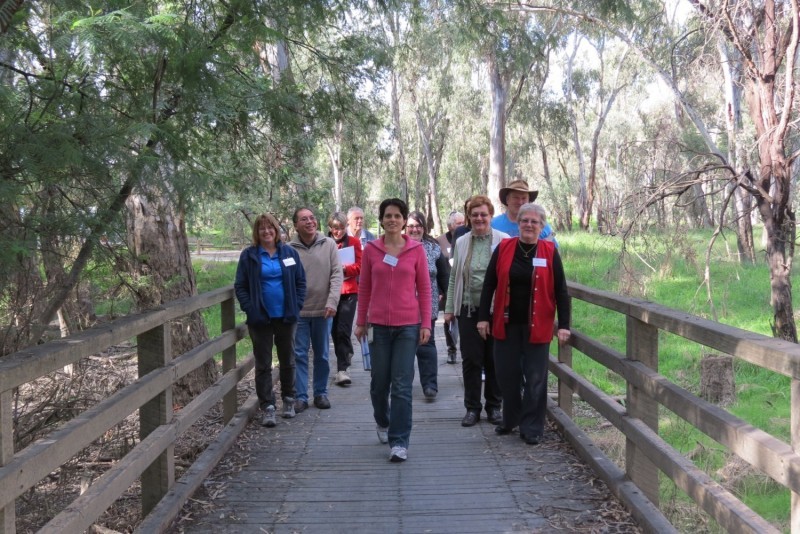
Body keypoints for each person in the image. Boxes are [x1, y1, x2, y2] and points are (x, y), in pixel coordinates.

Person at [477, 202, 570, 445]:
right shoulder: (505, 247)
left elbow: (561, 290)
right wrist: (483, 318)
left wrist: (564, 325)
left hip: (537, 325)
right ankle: (511, 419)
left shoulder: (549, 252)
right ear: (518, 224)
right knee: (507, 376)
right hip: (505, 325)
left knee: (535, 378)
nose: (529, 225)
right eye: (524, 220)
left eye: (534, 221)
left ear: (542, 226)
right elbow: (489, 284)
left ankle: (532, 427)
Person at [355, 198, 432, 463]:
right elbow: (364, 287)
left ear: (403, 220)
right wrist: (361, 321)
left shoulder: (416, 250)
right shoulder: (372, 250)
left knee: (401, 385)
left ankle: (399, 441)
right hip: (378, 326)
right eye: (388, 215)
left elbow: (424, 289)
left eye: (397, 215)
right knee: (379, 384)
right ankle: (383, 420)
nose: (392, 220)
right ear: (382, 219)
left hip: (408, 326)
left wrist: (425, 324)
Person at [234, 213, 306, 427]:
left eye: (270, 228)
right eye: (261, 228)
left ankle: (288, 400)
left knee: (288, 360)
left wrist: (297, 304)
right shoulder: (249, 256)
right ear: (256, 233)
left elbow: (301, 282)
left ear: (277, 230)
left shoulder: (289, 253)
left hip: (286, 316)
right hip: (261, 318)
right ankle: (268, 406)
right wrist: (251, 309)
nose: (266, 231)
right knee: (263, 363)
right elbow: (241, 286)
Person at [444, 195, 508, 427]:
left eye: (483, 214)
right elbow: (454, 278)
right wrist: (450, 308)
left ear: (490, 216)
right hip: (468, 309)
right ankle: (472, 408)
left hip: (495, 310)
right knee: (471, 359)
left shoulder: (504, 240)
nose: (479, 218)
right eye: (475, 214)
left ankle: (494, 407)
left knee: (494, 358)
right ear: (469, 218)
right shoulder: (461, 242)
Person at [289, 207, 343, 412]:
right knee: (300, 354)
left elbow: (337, 274)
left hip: (324, 310)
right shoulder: (289, 249)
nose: (309, 222)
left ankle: (320, 393)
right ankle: (301, 397)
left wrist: (332, 302)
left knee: (321, 354)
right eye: (304, 219)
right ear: (296, 225)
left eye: (312, 218)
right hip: (299, 312)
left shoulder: (328, 244)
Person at [406, 211, 449, 401]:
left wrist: (446, 297)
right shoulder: (397, 247)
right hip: (403, 304)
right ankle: (402, 384)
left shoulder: (433, 248)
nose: (415, 229)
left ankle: (430, 385)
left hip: (427, 302)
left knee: (426, 343)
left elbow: (445, 275)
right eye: (411, 226)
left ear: (424, 228)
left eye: (418, 226)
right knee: (404, 345)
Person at [327, 211, 362, 387]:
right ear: (330, 228)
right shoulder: (325, 243)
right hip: (329, 293)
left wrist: (345, 268)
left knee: (343, 329)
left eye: (341, 228)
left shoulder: (354, 243)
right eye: (334, 228)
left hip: (349, 292)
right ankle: (344, 356)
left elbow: (360, 266)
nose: (338, 232)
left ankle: (343, 369)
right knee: (334, 331)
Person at [435, 210, 465, 364]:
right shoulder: (439, 241)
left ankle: (466, 350)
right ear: (450, 226)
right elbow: (436, 267)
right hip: (447, 287)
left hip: (464, 285)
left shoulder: (467, 238)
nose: (462, 226)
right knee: (449, 320)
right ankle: (451, 349)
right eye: (459, 223)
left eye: (463, 223)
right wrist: (440, 290)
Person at [491, 179, 558, 245]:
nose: (520, 202)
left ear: (529, 201)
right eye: (515, 198)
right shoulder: (493, 224)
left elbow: (553, 251)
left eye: (524, 198)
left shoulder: (541, 225)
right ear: (507, 200)